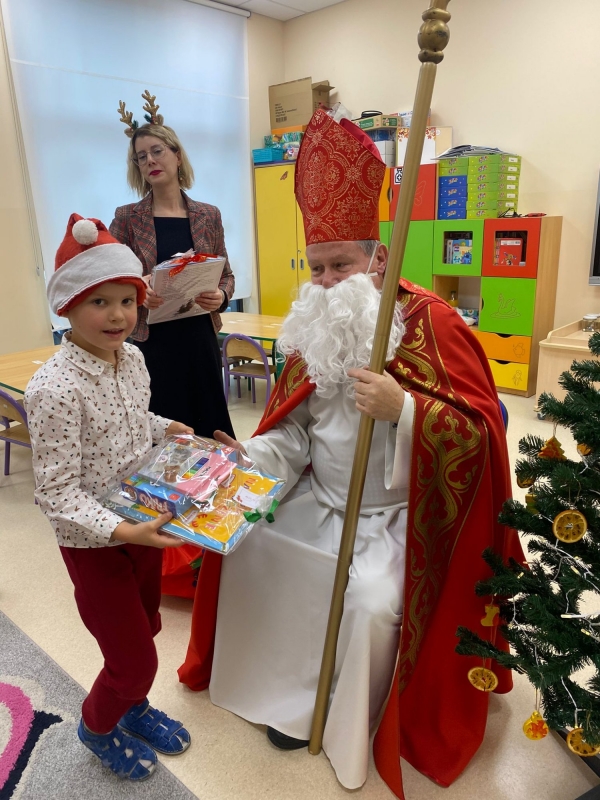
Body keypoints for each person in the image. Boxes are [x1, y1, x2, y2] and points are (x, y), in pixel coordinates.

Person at [178, 109, 524, 798]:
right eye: (318, 267)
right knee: (248, 545)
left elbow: (481, 434)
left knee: (367, 598)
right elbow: (295, 434)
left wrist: (406, 411)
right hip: (322, 500)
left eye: (343, 264)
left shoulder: (432, 323)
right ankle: (288, 695)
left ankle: (346, 715)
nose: (329, 281)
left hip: (400, 519)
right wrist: (252, 457)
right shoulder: (311, 327)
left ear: (379, 259)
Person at [25, 214, 194, 782]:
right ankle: (98, 727)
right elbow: (55, 492)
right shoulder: (53, 388)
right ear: (67, 306)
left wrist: (166, 427)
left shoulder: (134, 359)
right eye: (99, 302)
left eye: (127, 300)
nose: (119, 315)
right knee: (133, 659)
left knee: (147, 627)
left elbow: (132, 421)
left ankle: (133, 707)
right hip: (94, 543)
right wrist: (124, 532)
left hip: (139, 518)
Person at [109, 91, 235, 597]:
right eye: (141, 157)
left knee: (208, 428)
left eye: (157, 151)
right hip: (151, 342)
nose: (150, 161)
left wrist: (219, 294)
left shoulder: (207, 214)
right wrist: (138, 287)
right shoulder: (126, 217)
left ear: (177, 155)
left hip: (197, 336)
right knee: (163, 439)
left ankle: (218, 531)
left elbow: (226, 274)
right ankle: (168, 551)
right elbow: (113, 278)